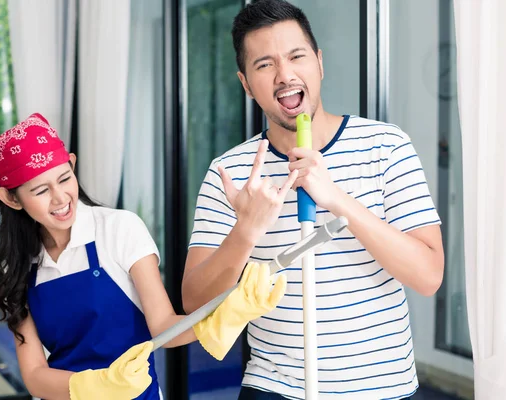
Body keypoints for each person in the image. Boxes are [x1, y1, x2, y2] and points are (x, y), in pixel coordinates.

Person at [181, 0, 445, 399]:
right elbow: (194, 301)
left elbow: (428, 276)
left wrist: (336, 198)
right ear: (246, 84)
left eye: (296, 56)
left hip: (382, 387)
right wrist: (246, 231)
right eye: (264, 64)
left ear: (319, 63)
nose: (285, 75)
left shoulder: (386, 146)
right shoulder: (232, 172)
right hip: (273, 387)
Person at [0, 112, 287, 400]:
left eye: (64, 179)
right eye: (40, 191)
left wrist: (229, 312)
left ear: (72, 165)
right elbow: (34, 375)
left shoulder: (118, 229)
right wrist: (96, 386)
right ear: (11, 198)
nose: (60, 199)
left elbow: (164, 328)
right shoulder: (18, 265)